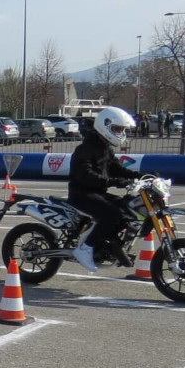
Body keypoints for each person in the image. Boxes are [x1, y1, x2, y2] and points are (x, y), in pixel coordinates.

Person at [68, 107, 139, 273]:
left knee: (125, 209)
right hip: (81, 194)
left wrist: (140, 175)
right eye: (117, 129)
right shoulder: (85, 149)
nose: (121, 133)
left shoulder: (105, 148)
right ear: (105, 125)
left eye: (122, 130)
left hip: (97, 193)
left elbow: (116, 168)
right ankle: (85, 248)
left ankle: (108, 245)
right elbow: (85, 174)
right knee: (111, 214)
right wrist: (112, 181)